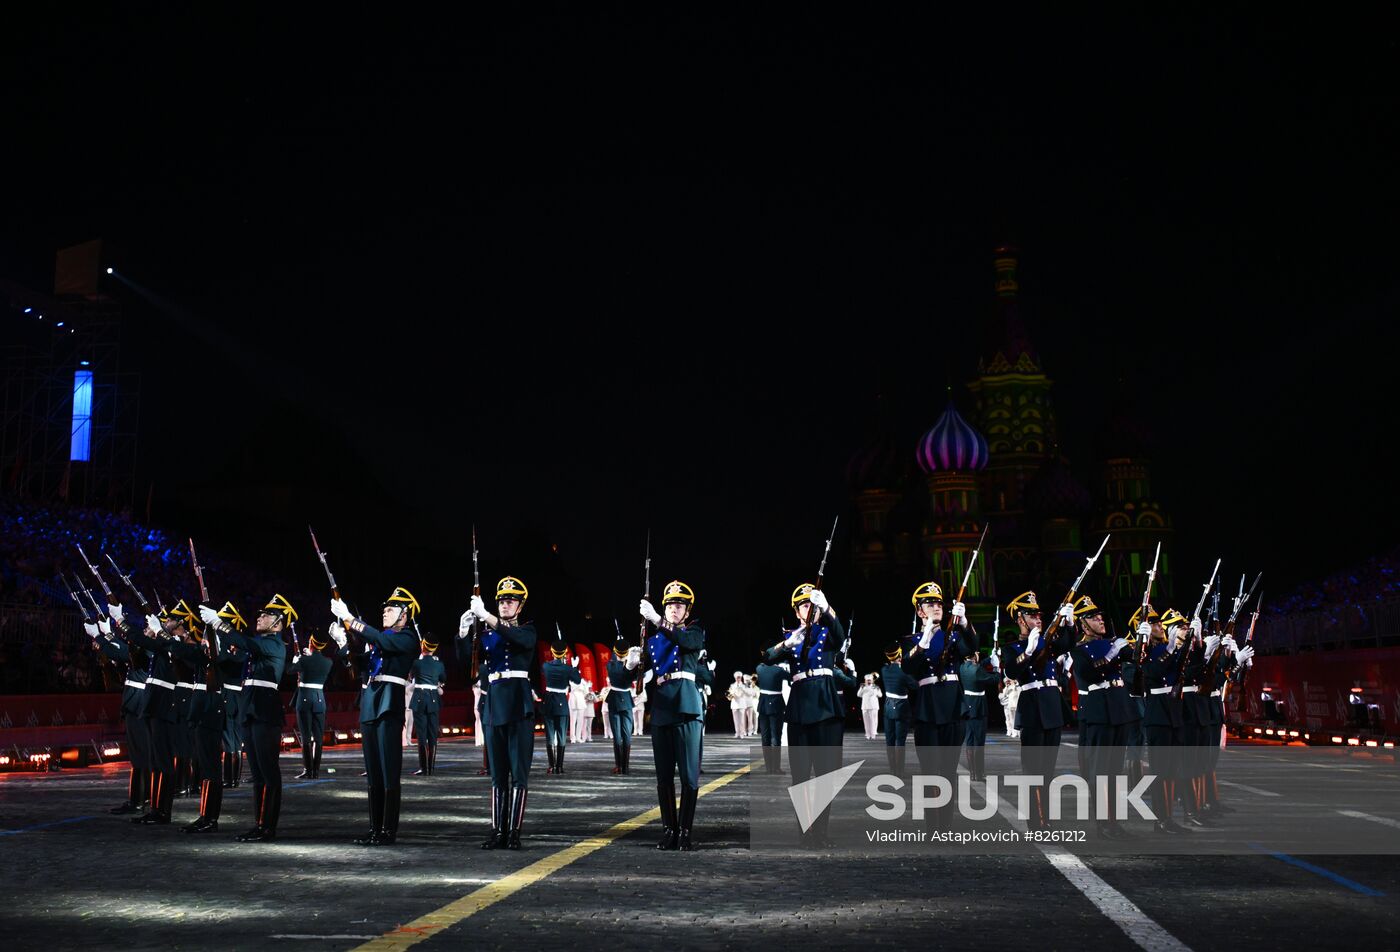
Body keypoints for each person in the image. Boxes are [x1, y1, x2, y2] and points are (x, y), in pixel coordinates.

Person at [198, 594, 294, 842]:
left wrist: (221, 624)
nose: (260, 617)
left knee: (268, 771)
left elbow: (249, 644)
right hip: (250, 710)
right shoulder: (259, 644)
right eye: (260, 614)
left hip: (265, 712)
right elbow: (229, 661)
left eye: (267, 615)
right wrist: (214, 638)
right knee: (258, 773)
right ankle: (259, 823)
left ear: (279, 623)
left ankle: (268, 826)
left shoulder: (275, 644)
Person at [329, 586, 420, 846]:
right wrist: (343, 644)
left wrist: (350, 619)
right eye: (384, 609)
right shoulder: (381, 640)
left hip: (389, 702)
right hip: (371, 702)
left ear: (404, 615)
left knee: (389, 769)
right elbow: (360, 666)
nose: (385, 612)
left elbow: (382, 640)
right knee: (373, 771)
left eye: (391, 609)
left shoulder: (407, 638)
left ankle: (388, 830)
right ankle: (374, 828)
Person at [765, 583, 846, 848]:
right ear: (797, 611)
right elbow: (767, 657)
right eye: (803, 606)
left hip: (825, 706)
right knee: (800, 776)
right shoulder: (792, 636)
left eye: (812, 605)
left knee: (825, 775)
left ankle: (821, 832)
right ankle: (805, 830)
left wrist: (828, 607)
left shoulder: (828, 632)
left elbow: (841, 636)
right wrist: (787, 643)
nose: (808, 609)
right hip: (800, 709)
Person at [628, 579, 706, 850]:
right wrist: (630, 663)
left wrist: (658, 619)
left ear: (687, 610)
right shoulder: (653, 640)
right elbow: (635, 674)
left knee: (688, 777)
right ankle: (669, 830)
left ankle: (685, 831)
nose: (674, 609)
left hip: (686, 707)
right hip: (662, 709)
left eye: (679, 605)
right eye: (670, 604)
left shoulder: (694, 632)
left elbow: (684, 640)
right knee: (663, 777)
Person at [463, 576, 538, 850]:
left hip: (518, 705)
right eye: (502, 601)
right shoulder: (487, 634)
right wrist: (463, 633)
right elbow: (466, 663)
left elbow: (515, 636)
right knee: (498, 775)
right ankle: (498, 830)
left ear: (520, 606)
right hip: (494, 705)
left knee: (518, 774)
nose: (505, 604)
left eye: (511, 601)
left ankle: (514, 831)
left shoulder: (527, 630)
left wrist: (488, 616)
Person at [1000, 591, 1074, 831]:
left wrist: (1069, 623)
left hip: (1052, 705)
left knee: (1049, 768)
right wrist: (1029, 651)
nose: (1038, 619)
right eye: (1032, 615)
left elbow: (1067, 643)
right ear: (1021, 619)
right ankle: (1036, 820)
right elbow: (1011, 672)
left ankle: (1047, 818)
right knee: (1033, 768)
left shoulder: (1048, 642)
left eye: (1039, 615)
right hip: (1032, 706)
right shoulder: (1013, 647)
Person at [905, 581, 975, 831]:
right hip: (928, 708)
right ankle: (932, 824)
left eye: (938, 603)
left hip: (953, 706)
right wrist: (923, 641)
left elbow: (972, 647)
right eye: (930, 603)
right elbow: (908, 669)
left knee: (948, 770)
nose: (936, 607)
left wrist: (965, 623)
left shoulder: (953, 636)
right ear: (920, 611)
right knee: (930, 770)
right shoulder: (912, 640)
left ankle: (944, 825)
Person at [1066, 595, 1136, 838]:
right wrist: (1110, 655)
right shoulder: (1079, 650)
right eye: (1093, 618)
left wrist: (1144, 638)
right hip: (1098, 711)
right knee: (1100, 770)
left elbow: (1139, 661)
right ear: (1083, 625)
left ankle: (1114, 821)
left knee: (1116, 770)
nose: (1100, 619)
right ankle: (1103, 822)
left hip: (1119, 709)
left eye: (1100, 616)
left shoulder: (1113, 643)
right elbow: (1089, 674)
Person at [89, 602, 151, 815]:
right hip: (139, 702)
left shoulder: (150, 649)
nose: (145, 630)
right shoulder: (150, 647)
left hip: (139, 702)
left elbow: (124, 652)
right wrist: (106, 634)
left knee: (139, 754)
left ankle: (139, 800)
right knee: (139, 753)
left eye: (148, 629)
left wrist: (101, 636)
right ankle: (143, 798)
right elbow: (124, 649)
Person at [293, 624, 347, 780]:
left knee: (305, 736)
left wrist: (297, 659)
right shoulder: (328, 662)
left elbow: (290, 670)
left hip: (304, 699)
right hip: (319, 699)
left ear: (311, 642)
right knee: (318, 737)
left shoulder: (304, 659)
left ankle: (307, 770)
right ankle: (315, 771)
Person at [959, 646, 1001, 783]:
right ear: (973, 655)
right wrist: (996, 667)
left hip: (967, 705)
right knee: (979, 742)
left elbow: (979, 666)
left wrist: (991, 656)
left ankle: (972, 773)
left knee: (970, 741)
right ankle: (979, 773)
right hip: (978, 706)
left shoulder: (963, 667)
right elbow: (994, 679)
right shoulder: (977, 670)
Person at [409, 633, 446, 776]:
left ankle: (424, 768)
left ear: (422, 645)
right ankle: (431, 768)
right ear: (434, 649)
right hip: (433, 699)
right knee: (432, 734)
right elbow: (442, 679)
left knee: (421, 734)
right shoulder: (439, 664)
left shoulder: (416, 663)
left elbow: (411, 676)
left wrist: (420, 659)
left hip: (419, 698)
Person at [540, 641, 581, 774]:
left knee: (550, 735)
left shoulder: (546, 666)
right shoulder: (567, 668)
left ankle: (551, 766)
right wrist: (574, 667)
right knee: (561, 734)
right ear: (564, 653)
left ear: (552, 652)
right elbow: (578, 680)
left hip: (548, 702)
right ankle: (560, 766)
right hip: (561, 702)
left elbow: (546, 672)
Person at [604, 634, 638, 774]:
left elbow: (615, 659)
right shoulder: (631, 667)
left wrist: (618, 643)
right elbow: (632, 672)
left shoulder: (610, 665)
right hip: (626, 699)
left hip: (614, 700)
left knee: (617, 736)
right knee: (626, 735)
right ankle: (626, 766)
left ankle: (619, 765)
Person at [754, 656, 790, 773]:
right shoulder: (779, 670)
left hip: (763, 704)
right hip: (775, 704)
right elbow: (790, 678)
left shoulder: (759, 668)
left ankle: (768, 767)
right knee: (776, 737)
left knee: (765, 737)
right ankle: (776, 767)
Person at [857, 674, 882, 740]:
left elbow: (880, 695)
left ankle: (873, 734)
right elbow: (858, 695)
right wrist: (861, 688)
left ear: (872, 680)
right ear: (865, 680)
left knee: (874, 721)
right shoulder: (863, 686)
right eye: (867, 680)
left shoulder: (875, 687)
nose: (868, 681)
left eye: (870, 680)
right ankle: (868, 734)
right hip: (865, 706)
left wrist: (877, 689)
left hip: (874, 706)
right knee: (866, 721)